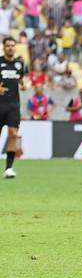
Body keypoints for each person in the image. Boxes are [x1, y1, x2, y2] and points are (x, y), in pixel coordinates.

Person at [0, 37, 27, 178]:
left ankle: (8, 169)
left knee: (13, 134)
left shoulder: (19, 64)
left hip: (13, 106)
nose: (10, 47)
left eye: (12, 45)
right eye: (8, 45)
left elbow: (21, 79)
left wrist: (23, 84)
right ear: (4, 47)